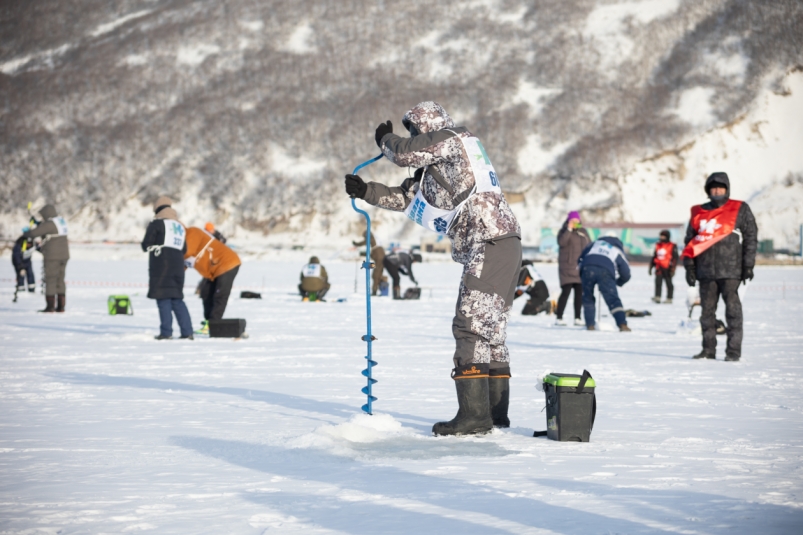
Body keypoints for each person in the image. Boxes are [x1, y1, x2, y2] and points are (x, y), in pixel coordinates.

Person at [344, 101, 521, 435]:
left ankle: (475, 416)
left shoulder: (455, 138)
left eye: (414, 130)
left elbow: (404, 153)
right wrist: (366, 191)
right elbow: (406, 199)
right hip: (499, 243)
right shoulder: (437, 176)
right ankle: (495, 414)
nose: (412, 137)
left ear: (426, 127)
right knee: (489, 330)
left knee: (470, 327)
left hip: (489, 242)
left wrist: (386, 140)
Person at [682, 172, 757, 362]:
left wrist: (748, 265)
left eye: (721, 187)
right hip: (705, 272)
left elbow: (751, 237)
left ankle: (733, 352)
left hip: (732, 272)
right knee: (706, 314)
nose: (717, 191)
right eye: (713, 188)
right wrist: (689, 268)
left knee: (733, 312)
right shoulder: (698, 212)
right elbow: (690, 242)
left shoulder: (740, 209)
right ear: (708, 190)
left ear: (727, 189)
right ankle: (708, 350)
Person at [141, 196, 193, 340]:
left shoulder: (156, 224)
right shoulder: (180, 227)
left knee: (163, 298)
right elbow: (184, 249)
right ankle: (187, 332)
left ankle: (166, 332)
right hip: (178, 267)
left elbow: (146, 245)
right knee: (177, 299)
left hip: (161, 267)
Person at [184, 225, 241, 333]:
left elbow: (187, 252)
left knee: (220, 295)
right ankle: (208, 323)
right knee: (205, 293)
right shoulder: (183, 245)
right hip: (212, 270)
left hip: (227, 264)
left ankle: (213, 324)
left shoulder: (192, 233)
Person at [21, 204, 69, 313]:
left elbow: (34, 233)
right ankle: (61, 307)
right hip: (64, 255)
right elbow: (47, 229)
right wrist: (39, 224)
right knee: (60, 280)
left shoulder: (49, 223)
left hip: (53, 256)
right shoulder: (60, 221)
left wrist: (25, 232)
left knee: (50, 279)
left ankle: (50, 307)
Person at [578, 235, 632, 331]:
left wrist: (582, 275)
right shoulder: (615, 250)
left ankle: (590, 325)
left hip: (587, 267)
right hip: (606, 271)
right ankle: (622, 324)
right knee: (612, 299)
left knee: (587, 297)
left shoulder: (594, 244)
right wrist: (618, 282)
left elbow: (580, 260)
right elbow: (626, 273)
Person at [555, 211, 591, 326]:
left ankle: (578, 317)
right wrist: (569, 230)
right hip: (567, 267)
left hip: (580, 267)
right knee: (566, 292)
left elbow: (589, 245)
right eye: (573, 220)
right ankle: (559, 317)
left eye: (577, 220)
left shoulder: (583, 232)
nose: (575, 222)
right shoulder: (563, 231)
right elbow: (561, 242)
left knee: (579, 293)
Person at [353, 230, 386, 296]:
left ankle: (375, 291)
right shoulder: (375, 240)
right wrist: (363, 254)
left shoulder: (371, 238)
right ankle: (381, 289)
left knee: (375, 276)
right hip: (380, 258)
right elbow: (373, 255)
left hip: (379, 259)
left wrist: (355, 243)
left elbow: (365, 242)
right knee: (377, 275)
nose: (364, 238)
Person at [650, 230, 678, 303]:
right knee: (658, 283)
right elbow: (654, 256)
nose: (661, 237)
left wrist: (673, 268)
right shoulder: (658, 245)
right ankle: (657, 297)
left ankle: (669, 298)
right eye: (661, 236)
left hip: (667, 267)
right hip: (659, 267)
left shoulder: (672, 245)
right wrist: (651, 266)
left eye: (663, 236)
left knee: (669, 283)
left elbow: (675, 258)